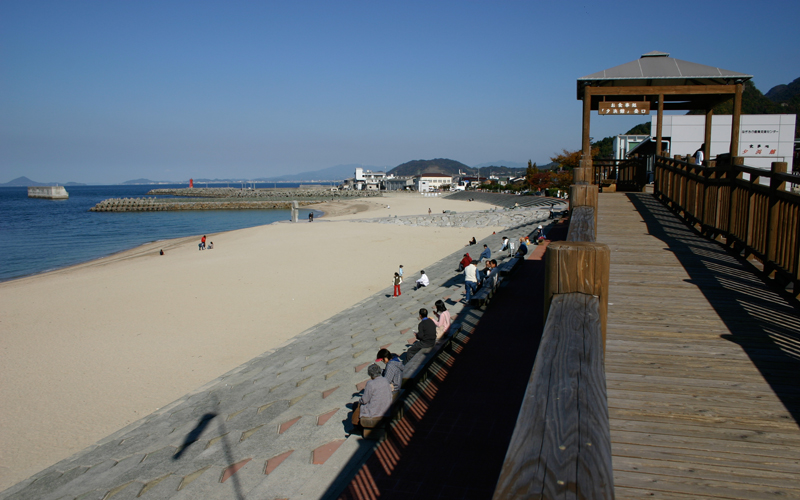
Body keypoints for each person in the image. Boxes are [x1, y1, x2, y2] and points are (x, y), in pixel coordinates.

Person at [351, 364, 392, 428]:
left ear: (371, 374)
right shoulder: (385, 380)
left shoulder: (370, 384)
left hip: (375, 412)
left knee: (356, 405)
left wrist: (360, 401)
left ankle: (358, 428)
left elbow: (364, 400)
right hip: (386, 410)